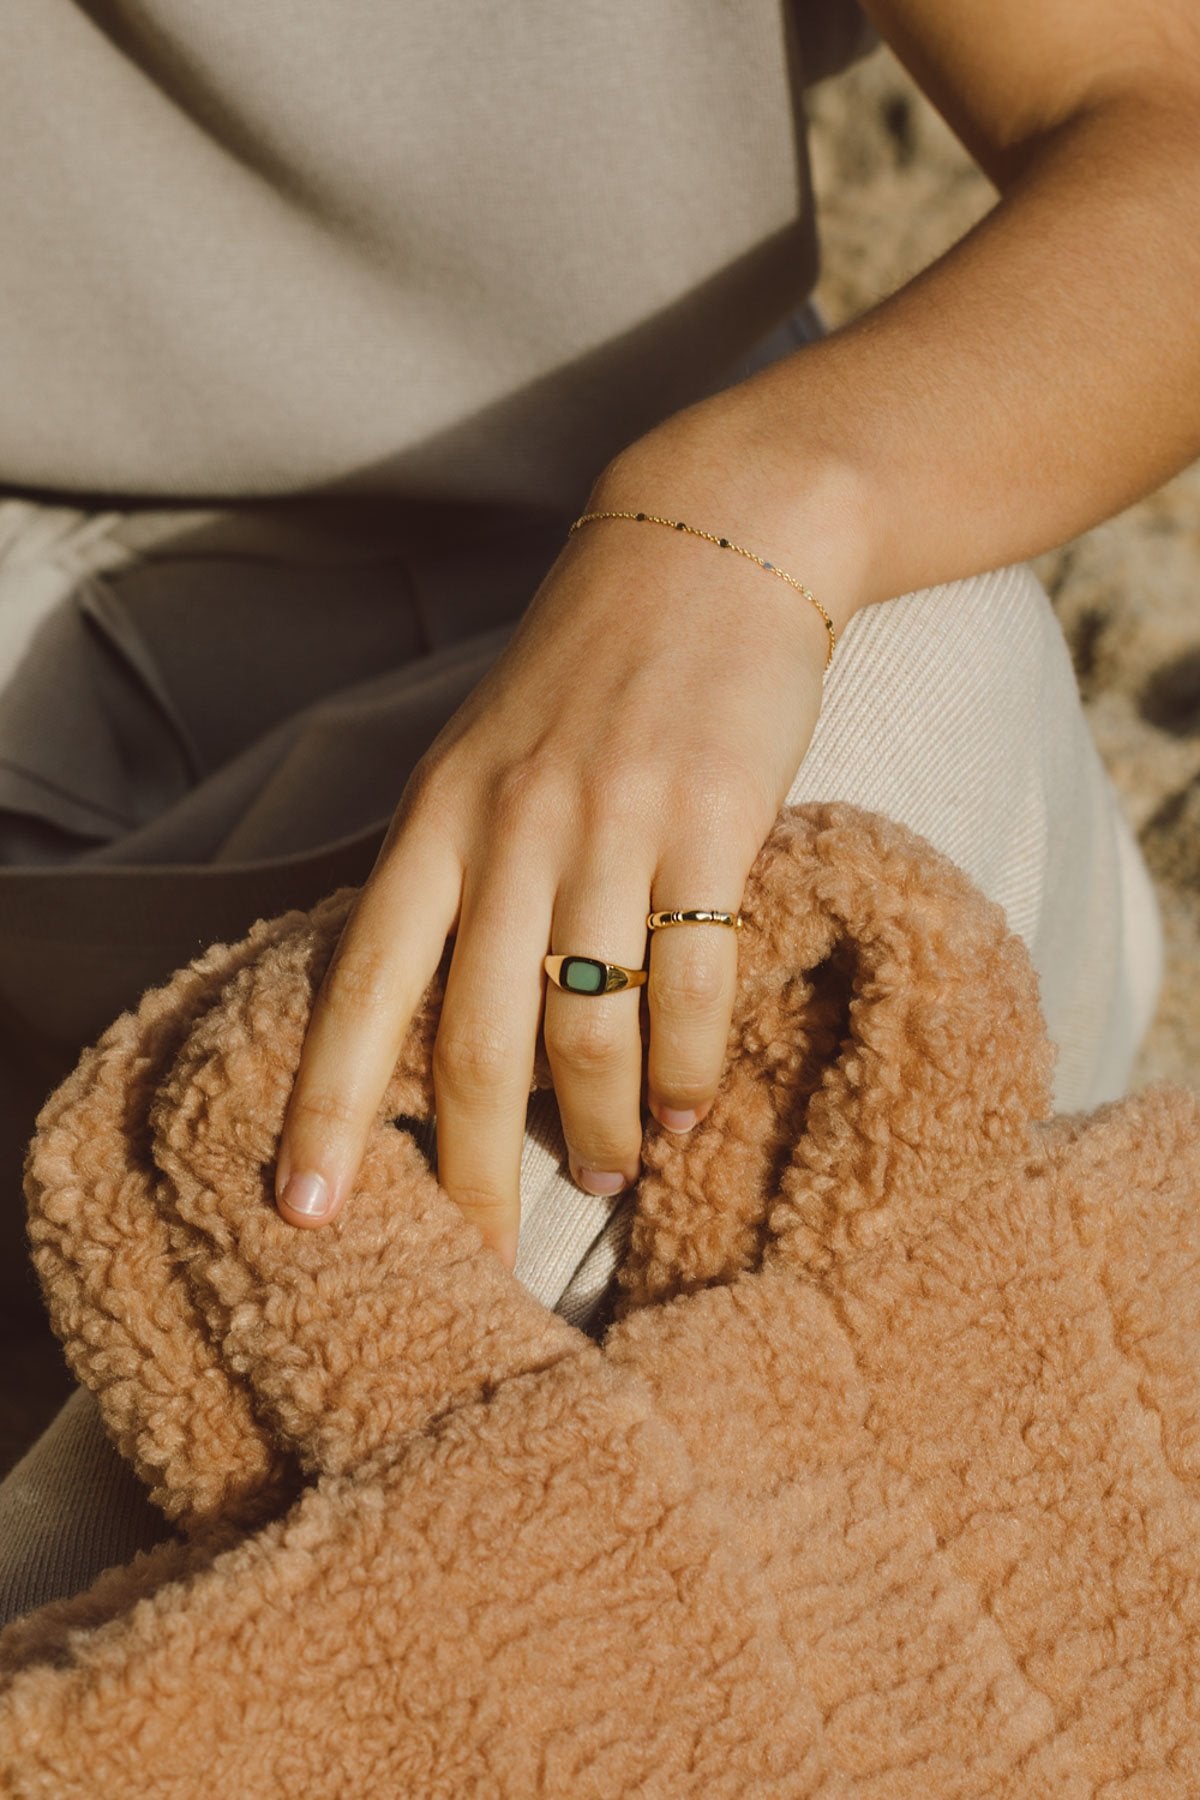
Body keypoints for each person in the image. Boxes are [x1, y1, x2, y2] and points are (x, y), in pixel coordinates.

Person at [0, 0, 1193, 1622]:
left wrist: (742, 514)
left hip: (689, 595)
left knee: (896, 716)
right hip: (56, 739)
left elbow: (1158, 105)